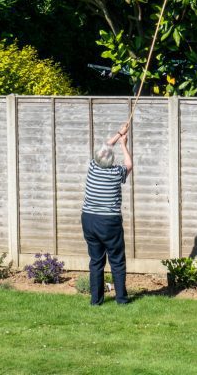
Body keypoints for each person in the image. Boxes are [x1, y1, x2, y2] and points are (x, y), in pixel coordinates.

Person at [81, 123, 133, 305]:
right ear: (111, 161)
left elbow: (105, 147)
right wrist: (124, 144)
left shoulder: (93, 167)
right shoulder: (116, 173)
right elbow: (129, 164)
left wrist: (119, 134)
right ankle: (121, 300)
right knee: (117, 260)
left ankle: (96, 301)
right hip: (109, 222)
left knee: (96, 261)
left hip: (88, 219)